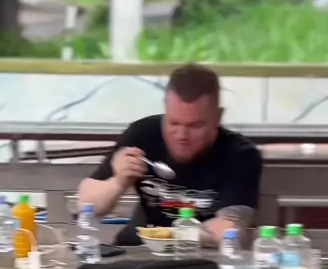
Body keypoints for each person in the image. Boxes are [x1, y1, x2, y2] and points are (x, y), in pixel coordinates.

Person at [77, 63, 262, 246]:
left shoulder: (240, 155)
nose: (181, 136)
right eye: (174, 123)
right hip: (137, 248)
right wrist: (117, 183)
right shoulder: (142, 134)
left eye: (195, 126)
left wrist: (171, 236)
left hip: (200, 254)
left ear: (218, 117)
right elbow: (86, 205)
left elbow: (229, 229)